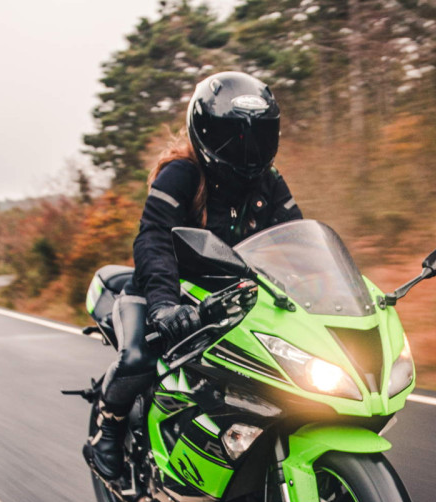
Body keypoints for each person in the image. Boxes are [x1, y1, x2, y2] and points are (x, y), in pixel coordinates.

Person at [84, 71, 303, 480]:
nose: (247, 148)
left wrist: (318, 289)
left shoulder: (268, 182)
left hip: (231, 299)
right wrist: (165, 306)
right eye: (233, 136)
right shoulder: (182, 174)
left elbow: (297, 243)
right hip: (164, 290)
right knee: (137, 357)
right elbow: (153, 240)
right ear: (204, 132)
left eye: (258, 136)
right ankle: (106, 429)